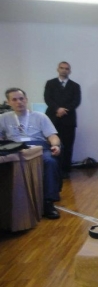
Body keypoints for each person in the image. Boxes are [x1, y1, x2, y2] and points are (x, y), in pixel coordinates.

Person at [0, 88, 62, 219]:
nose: (19, 102)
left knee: (50, 161)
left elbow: (52, 136)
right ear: (8, 102)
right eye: (14, 99)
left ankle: (48, 203)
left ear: (26, 100)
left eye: (21, 99)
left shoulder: (40, 117)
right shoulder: (3, 118)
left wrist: (55, 145)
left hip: (39, 147)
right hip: (15, 148)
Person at [44, 61, 81, 179]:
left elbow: (76, 101)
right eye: (62, 68)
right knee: (53, 145)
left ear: (69, 71)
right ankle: (54, 169)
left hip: (68, 120)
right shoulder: (50, 83)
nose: (64, 70)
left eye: (66, 68)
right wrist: (57, 109)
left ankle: (65, 170)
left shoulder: (75, 86)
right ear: (58, 69)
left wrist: (64, 110)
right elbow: (47, 99)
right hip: (52, 119)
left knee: (68, 145)